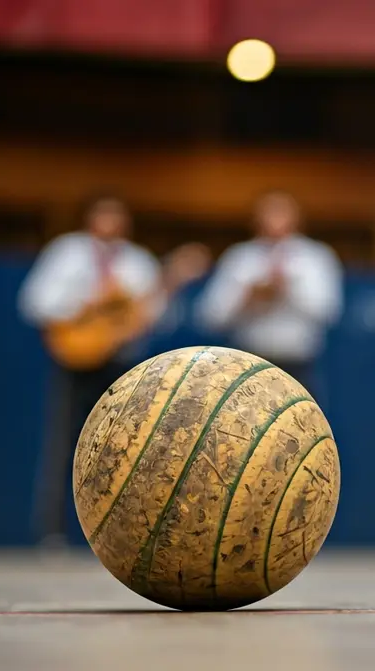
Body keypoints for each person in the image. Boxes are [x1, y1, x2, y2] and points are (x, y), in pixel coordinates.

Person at [18, 194, 209, 547]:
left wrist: (167, 286)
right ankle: (53, 531)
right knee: (66, 444)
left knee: (128, 448)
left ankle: (126, 536)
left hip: (123, 364)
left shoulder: (138, 263)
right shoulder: (67, 253)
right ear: (90, 218)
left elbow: (155, 317)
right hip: (77, 359)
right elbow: (35, 302)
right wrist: (88, 303)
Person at [196, 191, 343, 393]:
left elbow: (329, 312)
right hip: (248, 362)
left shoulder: (315, 257)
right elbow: (211, 316)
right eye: (269, 213)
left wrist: (288, 288)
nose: (275, 220)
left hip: (298, 365)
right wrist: (247, 297)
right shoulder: (240, 257)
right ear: (255, 219)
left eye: (281, 213)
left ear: (297, 218)